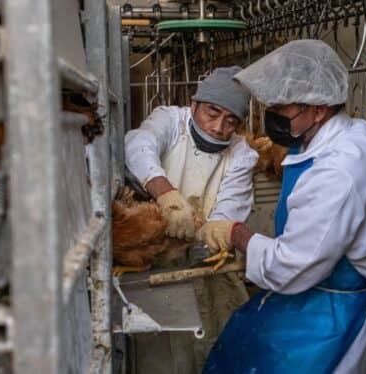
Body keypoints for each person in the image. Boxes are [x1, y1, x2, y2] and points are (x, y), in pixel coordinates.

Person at [197, 40, 366, 373]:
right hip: (315, 289)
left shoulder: (337, 172)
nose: (274, 117)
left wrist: (237, 234)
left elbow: (290, 266)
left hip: (328, 309)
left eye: (283, 110)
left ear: (318, 108)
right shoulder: (353, 131)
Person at [124, 66, 258, 373]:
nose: (219, 128)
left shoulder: (242, 154)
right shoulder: (170, 120)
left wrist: (206, 232)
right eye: (212, 113)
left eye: (231, 121)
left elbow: (228, 212)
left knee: (213, 341)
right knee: (160, 354)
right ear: (195, 105)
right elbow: (138, 144)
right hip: (149, 261)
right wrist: (166, 195)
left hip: (206, 265)